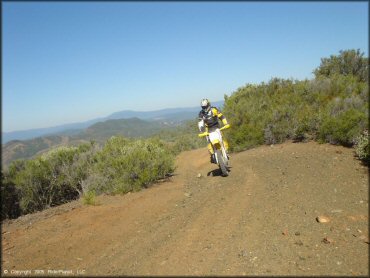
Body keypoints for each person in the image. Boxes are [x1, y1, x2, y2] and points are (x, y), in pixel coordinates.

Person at [198, 98, 230, 163]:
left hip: (217, 128)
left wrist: (226, 123)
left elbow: (221, 116)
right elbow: (200, 122)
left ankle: (226, 151)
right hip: (208, 130)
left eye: (205, 106)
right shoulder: (201, 113)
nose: (205, 108)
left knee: (222, 139)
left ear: (208, 105)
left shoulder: (214, 109)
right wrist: (202, 130)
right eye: (203, 107)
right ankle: (212, 155)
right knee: (209, 142)